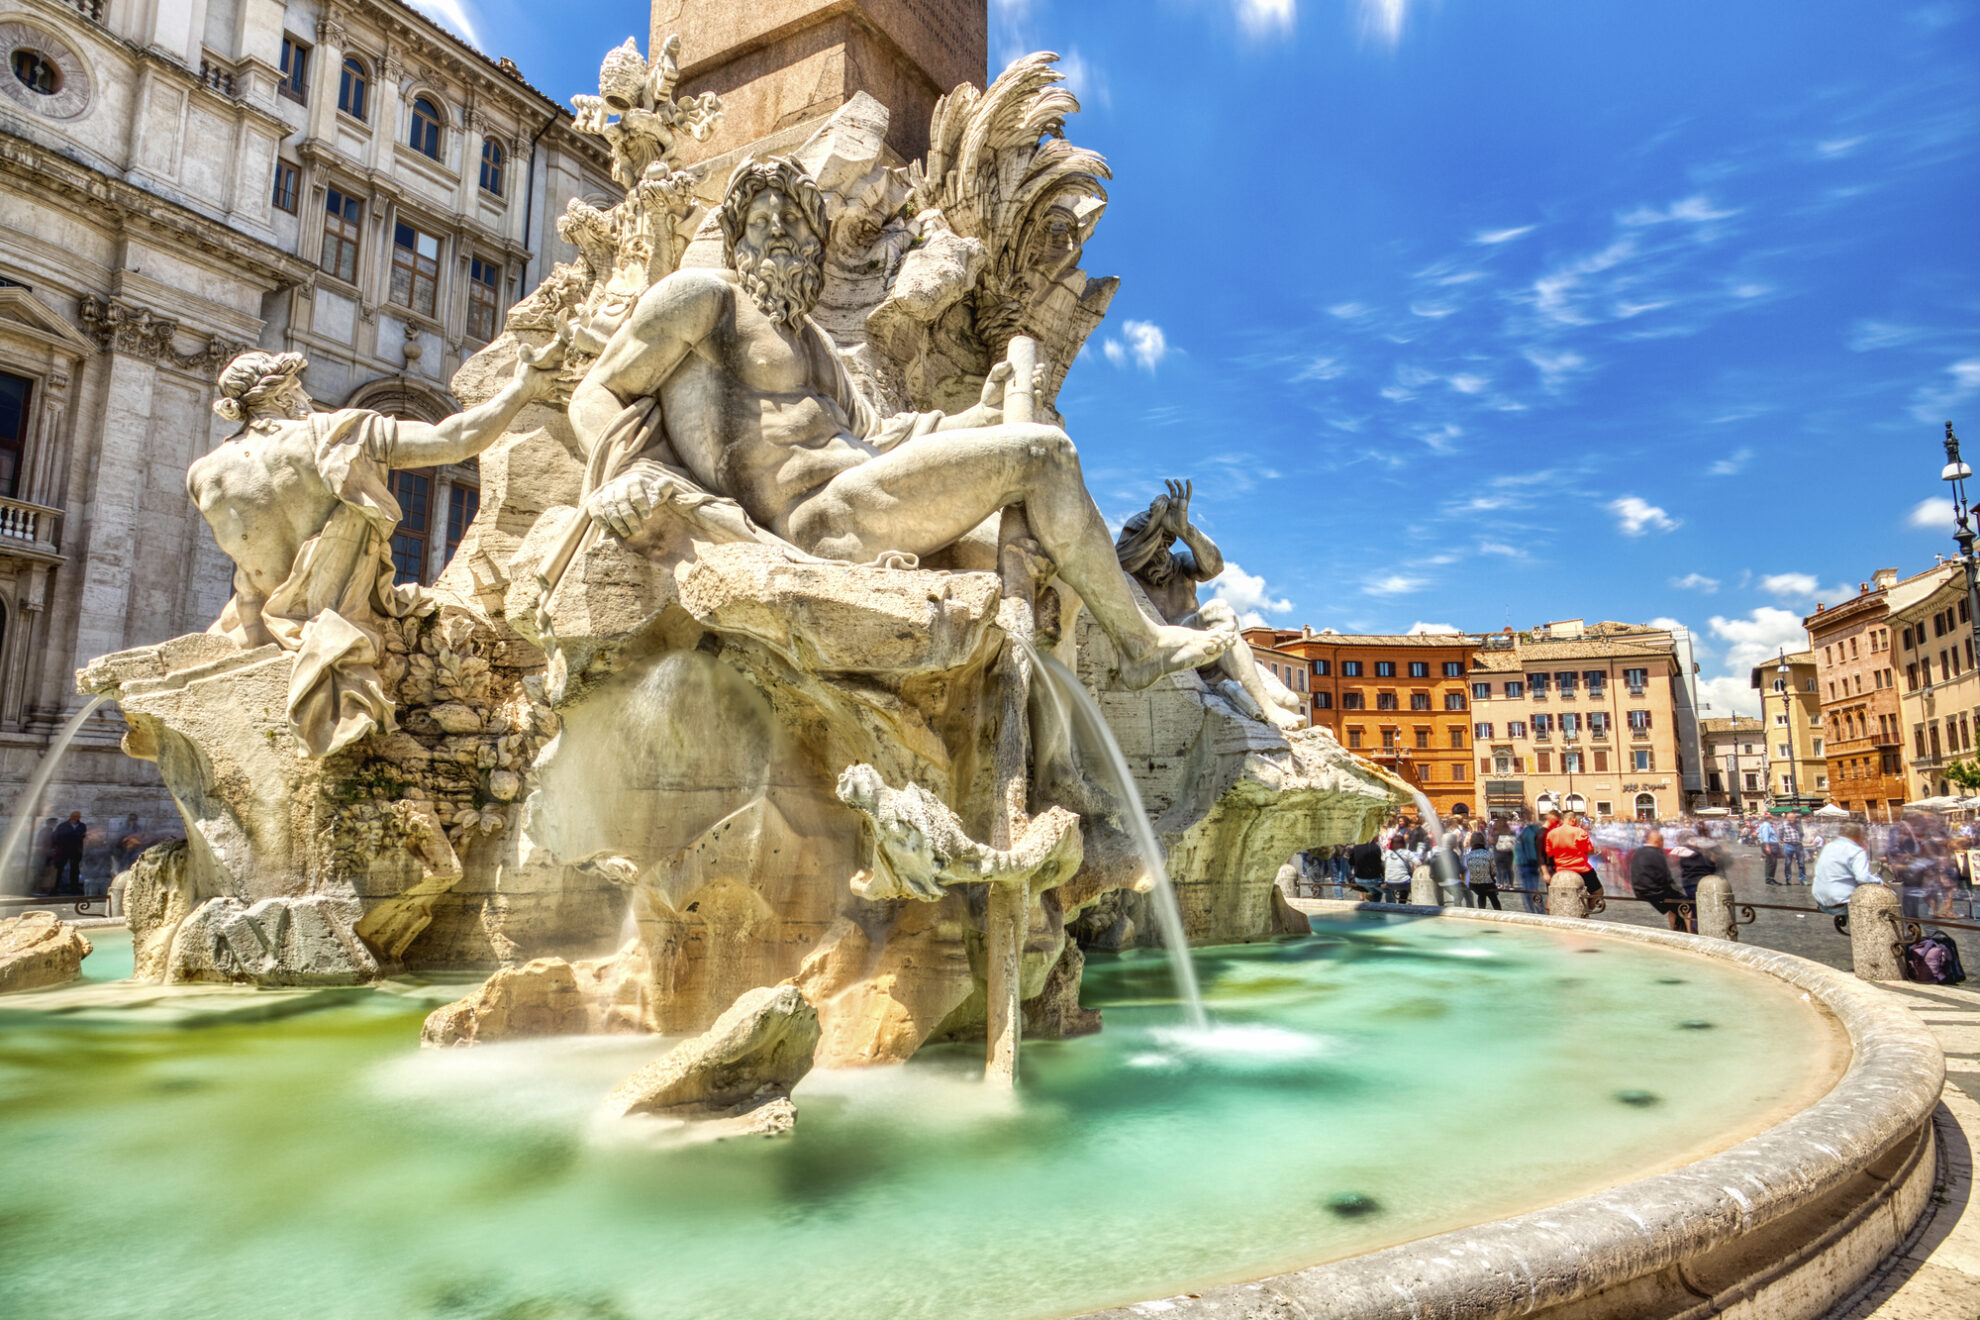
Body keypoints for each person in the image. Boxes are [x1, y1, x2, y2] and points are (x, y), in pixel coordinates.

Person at [569, 157, 1237, 693]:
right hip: (814, 521)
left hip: (865, 496)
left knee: (1052, 570)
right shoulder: (703, 299)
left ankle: (1058, 767)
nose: (777, 232)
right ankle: (1141, 645)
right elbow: (597, 389)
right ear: (735, 236)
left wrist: (980, 413)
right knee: (1045, 455)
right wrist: (620, 473)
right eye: (760, 220)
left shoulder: (816, 344)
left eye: (793, 220)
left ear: (815, 243)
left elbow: (880, 441)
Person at [1629, 828, 1690, 931]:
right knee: (1687, 904)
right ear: (1658, 842)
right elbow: (1665, 877)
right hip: (1655, 891)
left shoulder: (1639, 851)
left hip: (1639, 890)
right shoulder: (1657, 853)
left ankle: (1675, 929)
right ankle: (1690, 933)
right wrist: (1678, 887)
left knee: (1674, 905)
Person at [1544, 809, 1604, 913]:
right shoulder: (1579, 832)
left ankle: (1551, 913)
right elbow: (1589, 850)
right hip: (1581, 869)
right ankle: (1586, 910)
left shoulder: (1551, 833)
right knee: (1598, 892)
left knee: (1553, 895)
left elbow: (1549, 853)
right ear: (1573, 820)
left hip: (1560, 869)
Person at [1812, 822, 1877, 916]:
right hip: (1841, 904)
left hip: (1820, 902)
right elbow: (1863, 878)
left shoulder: (1828, 846)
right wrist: (1879, 881)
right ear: (1860, 836)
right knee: (1881, 899)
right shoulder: (1857, 851)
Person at [1512, 810, 1548, 914]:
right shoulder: (1533, 831)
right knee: (1534, 889)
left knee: (1527, 889)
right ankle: (1539, 911)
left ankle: (1531, 911)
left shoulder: (1524, 832)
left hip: (1523, 864)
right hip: (1531, 864)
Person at [50, 811, 86, 895]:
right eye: (74, 816)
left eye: (77, 816)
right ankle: (54, 888)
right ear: (71, 816)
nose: (76, 817)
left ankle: (74, 888)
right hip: (63, 850)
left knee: (75, 870)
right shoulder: (63, 826)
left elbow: (82, 835)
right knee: (59, 870)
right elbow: (56, 836)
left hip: (75, 850)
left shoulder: (82, 826)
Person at [1465, 832, 1501, 909]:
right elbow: (1494, 872)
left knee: (1481, 894)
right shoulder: (1488, 854)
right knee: (1493, 898)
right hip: (1486, 884)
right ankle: (1498, 911)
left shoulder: (1468, 855)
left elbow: (1467, 869)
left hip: (1473, 884)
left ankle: (1481, 909)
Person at [1348, 836, 1385, 901]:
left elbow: (1351, 862)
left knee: (1376, 892)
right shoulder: (1376, 847)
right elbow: (1379, 864)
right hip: (1374, 880)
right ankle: (1391, 905)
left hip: (1359, 880)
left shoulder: (1356, 847)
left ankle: (1374, 903)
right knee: (1389, 891)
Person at [1381, 836, 1414, 904]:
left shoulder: (1387, 853)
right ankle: (1402, 903)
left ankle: (1392, 904)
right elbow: (1417, 863)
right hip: (1403, 882)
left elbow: (1383, 864)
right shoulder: (1406, 852)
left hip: (1388, 882)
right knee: (1406, 883)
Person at [1757, 815, 1781, 885]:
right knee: (1771, 862)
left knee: (1773, 862)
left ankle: (1771, 878)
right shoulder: (1766, 826)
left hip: (1773, 845)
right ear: (1768, 819)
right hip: (1770, 845)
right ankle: (1769, 879)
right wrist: (1767, 847)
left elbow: (1758, 832)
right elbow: (1765, 837)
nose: (1774, 819)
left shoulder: (1769, 825)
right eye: (1773, 818)